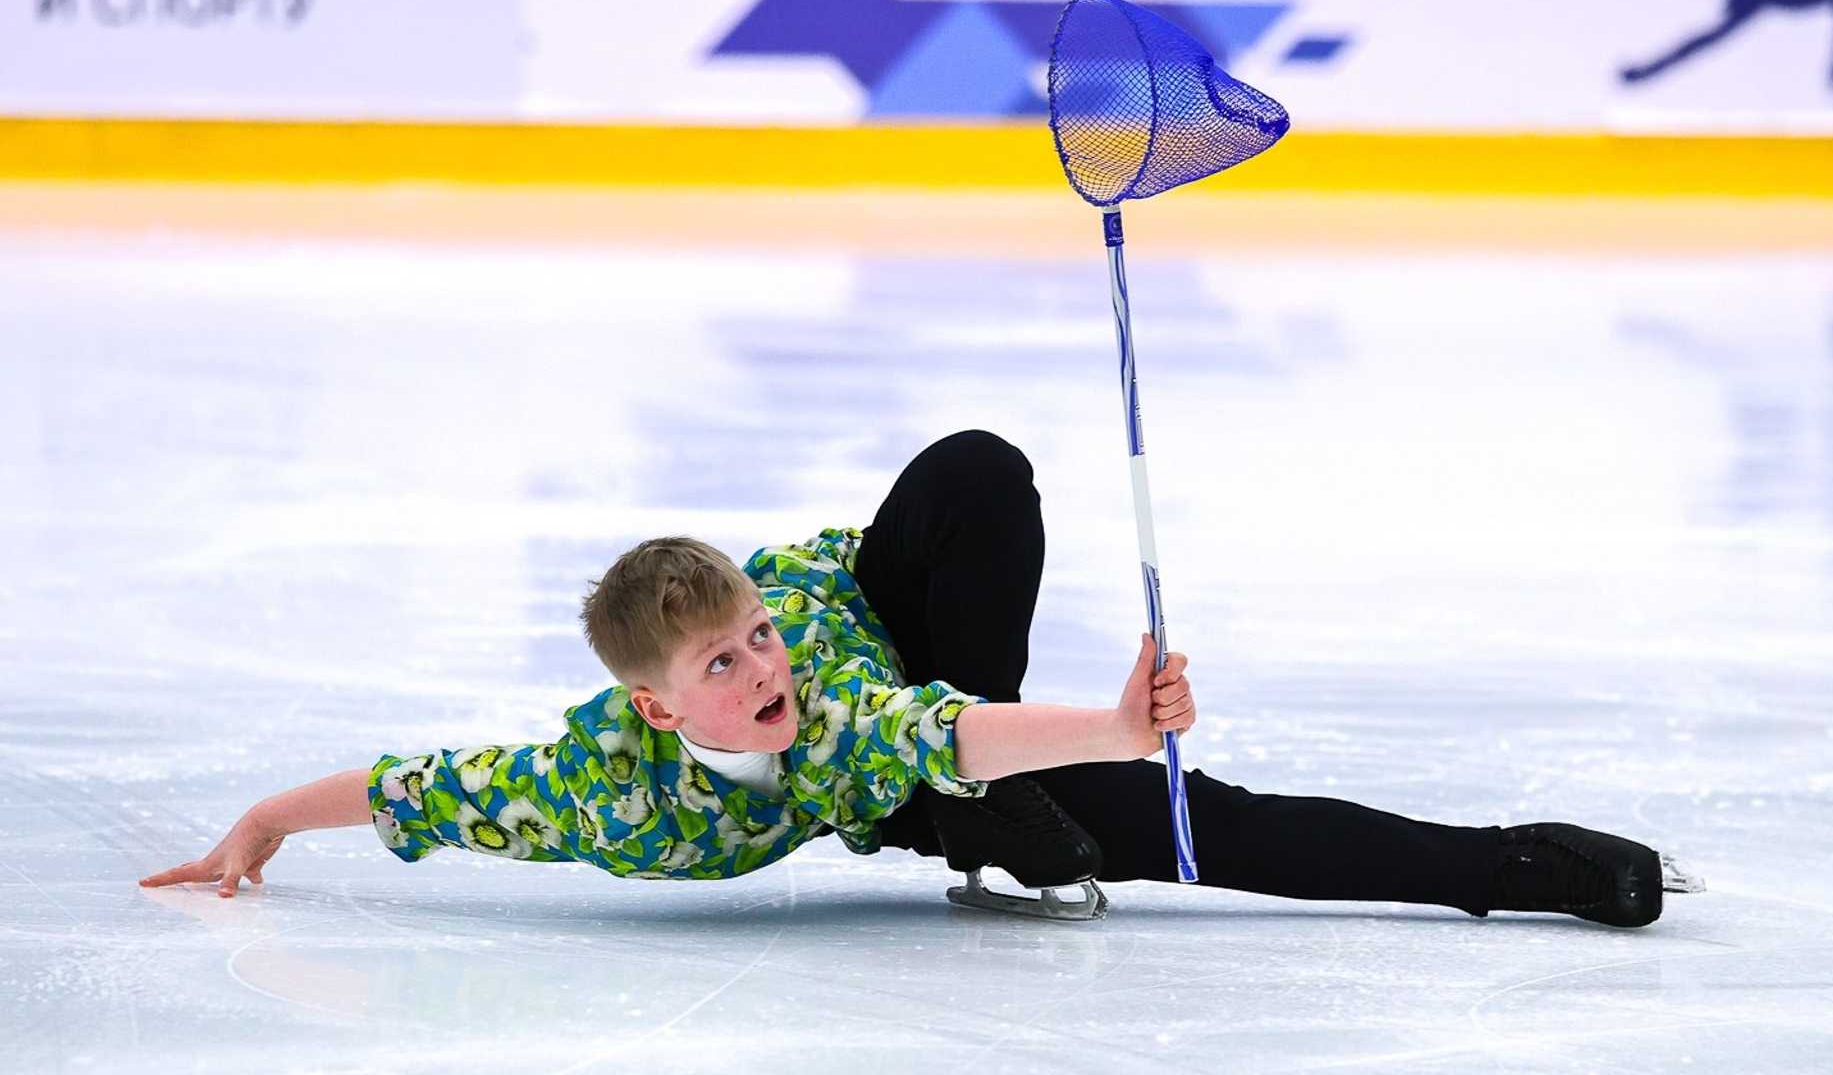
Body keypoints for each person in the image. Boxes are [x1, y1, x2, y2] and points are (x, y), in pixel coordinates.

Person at [141, 430, 1678, 928]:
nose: (762, 669)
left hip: (927, 680)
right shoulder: (592, 789)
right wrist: (267, 824)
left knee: (975, 474)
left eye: (753, 635)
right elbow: (420, 785)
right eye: (725, 667)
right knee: (1148, 818)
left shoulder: (813, 661)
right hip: (897, 770)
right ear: (659, 708)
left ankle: (1516, 861)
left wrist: (1109, 727)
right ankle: (975, 819)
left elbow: (934, 708)